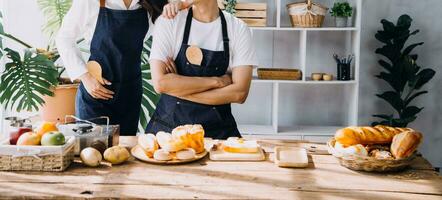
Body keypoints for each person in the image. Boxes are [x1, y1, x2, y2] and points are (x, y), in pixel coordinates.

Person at [56, 0, 174, 135]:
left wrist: (168, 57)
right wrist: (85, 77)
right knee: (94, 151)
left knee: (124, 153)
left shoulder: (151, 3)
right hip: (96, 93)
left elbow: (168, 28)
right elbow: (64, 37)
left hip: (130, 93)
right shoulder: (92, 2)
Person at [146, 0, 258, 139]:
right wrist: (217, 82)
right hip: (168, 133)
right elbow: (161, 83)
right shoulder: (169, 22)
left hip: (218, 134)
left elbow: (239, 93)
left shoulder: (238, 29)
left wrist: (178, 89)